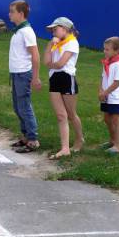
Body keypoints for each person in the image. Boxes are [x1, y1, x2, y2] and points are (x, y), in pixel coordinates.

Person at [43, 17, 84, 159]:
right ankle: (65, 148)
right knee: (61, 115)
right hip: (54, 79)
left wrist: (51, 64)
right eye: (52, 30)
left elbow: (60, 63)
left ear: (65, 29)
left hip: (67, 78)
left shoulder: (72, 43)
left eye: (55, 29)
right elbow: (46, 61)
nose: (53, 32)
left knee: (71, 114)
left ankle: (79, 139)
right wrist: (49, 45)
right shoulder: (55, 44)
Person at [7, 0, 41, 153]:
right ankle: (25, 136)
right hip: (15, 73)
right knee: (17, 106)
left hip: (23, 73)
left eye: (12, 11)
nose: (9, 14)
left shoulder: (27, 31)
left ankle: (33, 140)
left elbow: (35, 55)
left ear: (21, 14)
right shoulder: (18, 31)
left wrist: (35, 77)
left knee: (24, 106)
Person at [99, 36, 119, 155]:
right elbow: (102, 77)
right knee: (107, 119)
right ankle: (112, 140)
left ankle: (118, 146)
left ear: (117, 50)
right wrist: (101, 90)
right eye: (104, 49)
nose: (104, 51)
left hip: (115, 97)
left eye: (107, 49)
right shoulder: (107, 62)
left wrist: (105, 92)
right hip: (106, 96)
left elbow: (117, 82)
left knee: (116, 120)